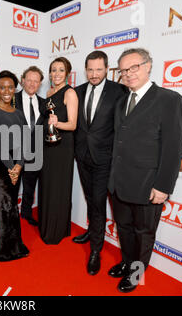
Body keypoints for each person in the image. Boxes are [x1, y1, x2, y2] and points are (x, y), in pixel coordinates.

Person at [107, 48, 182, 293]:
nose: (129, 74)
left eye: (135, 67)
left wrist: (163, 186)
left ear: (148, 65)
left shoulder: (169, 99)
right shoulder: (122, 101)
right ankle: (128, 263)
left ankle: (136, 274)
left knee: (143, 234)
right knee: (124, 229)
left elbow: (173, 147)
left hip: (148, 185)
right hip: (119, 182)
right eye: (123, 70)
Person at [73, 51, 128, 276]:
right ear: (86, 70)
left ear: (107, 69)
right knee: (89, 198)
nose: (94, 74)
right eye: (90, 70)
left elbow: (124, 126)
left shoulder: (119, 91)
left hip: (105, 159)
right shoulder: (78, 91)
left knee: (97, 201)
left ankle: (96, 250)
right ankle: (92, 230)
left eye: (98, 69)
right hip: (83, 156)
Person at [0, 70, 29, 262]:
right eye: (3, 87)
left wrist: (19, 165)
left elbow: (26, 140)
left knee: (12, 206)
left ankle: (15, 245)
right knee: (5, 205)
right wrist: (11, 167)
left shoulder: (18, 113)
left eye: (11, 87)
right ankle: (3, 251)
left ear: (15, 88)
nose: (7, 91)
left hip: (16, 163)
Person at [38, 57, 78, 245]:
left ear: (67, 73)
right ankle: (47, 225)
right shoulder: (48, 92)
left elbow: (73, 124)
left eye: (61, 70)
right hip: (48, 145)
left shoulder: (70, 93)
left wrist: (57, 123)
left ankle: (57, 230)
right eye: (53, 70)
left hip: (63, 146)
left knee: (59, 187)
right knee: (48, 185)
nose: (56, 74)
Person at [14, 66, 45, 226]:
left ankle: (26, 213)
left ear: (40, 83)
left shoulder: (45, 103)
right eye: (29, 80)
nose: (32, 84)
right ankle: (11, 219)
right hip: (14, 155)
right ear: (22, 80)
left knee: (29, 187)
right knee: (12, 189)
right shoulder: (11, 99)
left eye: (36, 81)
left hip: (35, 154)